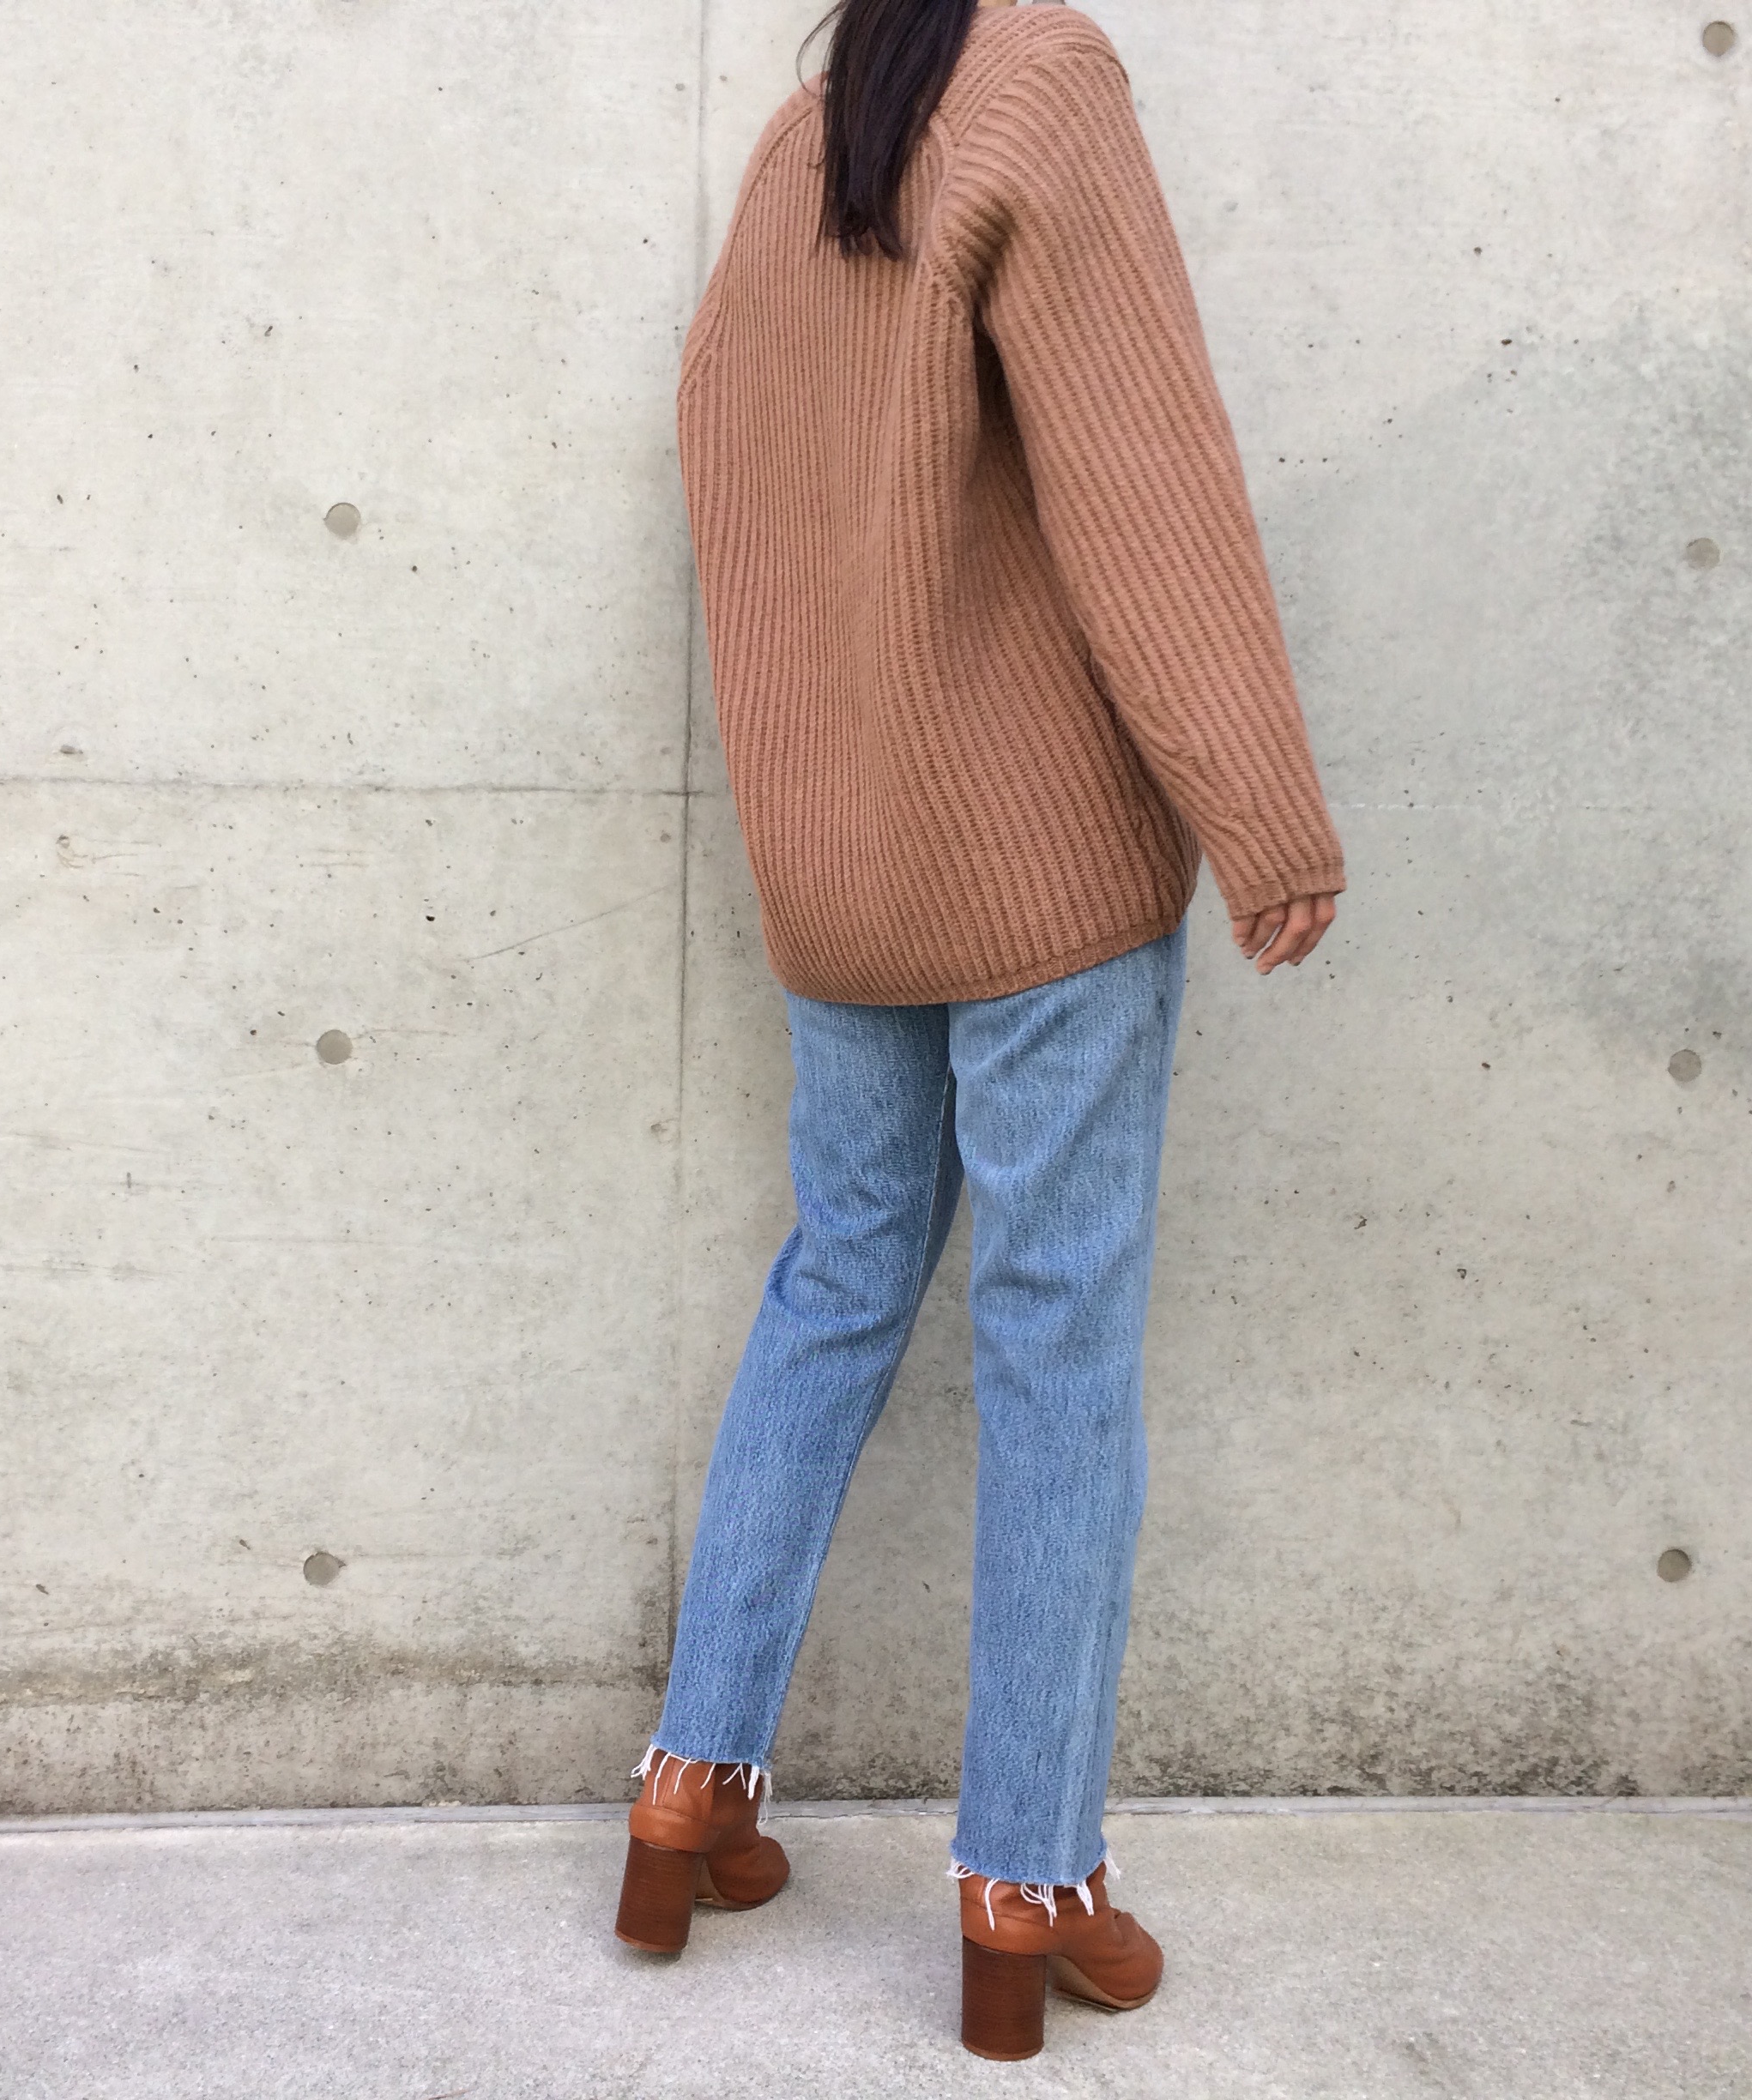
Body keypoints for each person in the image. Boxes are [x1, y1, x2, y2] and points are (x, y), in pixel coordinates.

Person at [612, 0, 1342, 2061]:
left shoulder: (814, 133)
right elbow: (1145, 478)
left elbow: (732, 466)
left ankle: (690, 1783)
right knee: (1054, 1346)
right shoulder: (1043, 89)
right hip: (1034, 873)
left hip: (836, 867)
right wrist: (1262, 810)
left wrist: (810, 796)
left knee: (837, 1282)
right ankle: (1030, 1876)